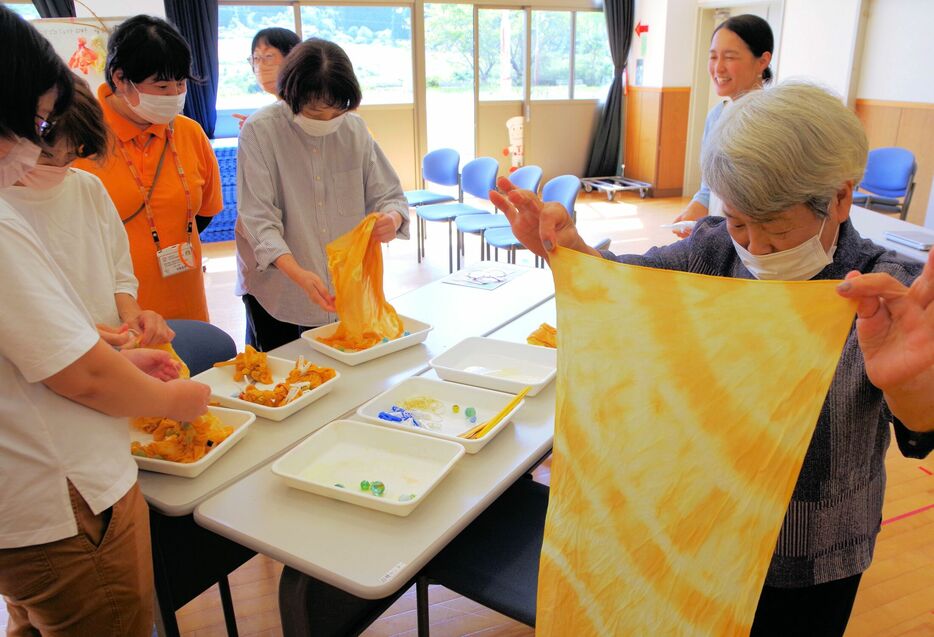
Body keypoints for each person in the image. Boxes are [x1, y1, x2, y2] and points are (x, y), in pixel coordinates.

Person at [490, 82, 934, 636]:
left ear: (840, 198)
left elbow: (919, 431)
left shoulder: (889, 292)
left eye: (775, 230)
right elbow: (629, 289)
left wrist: (911, 384)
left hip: (811, 554)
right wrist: (572, 252)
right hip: (698, 531)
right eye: (741, 222)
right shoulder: (713, 250)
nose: (755, 247)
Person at [0, 7, 210, 636]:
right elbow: (77, 376)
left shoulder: (82, 193)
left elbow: (44, 339)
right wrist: (173, 400)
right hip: (62, 498)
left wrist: (116, 348)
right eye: (34, 123)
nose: (35, 147)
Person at [236, 38, 409, 352]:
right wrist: (298, 273)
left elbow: (390, 195)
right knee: (287, 379)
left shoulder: (354, 130)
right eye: (316, 113)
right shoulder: (261, 131)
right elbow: (258, 220)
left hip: (346, 289)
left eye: (336, 111)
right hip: (280, 291)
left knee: (346, 375)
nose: (328, 121)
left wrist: (391, 218)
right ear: (290, 96)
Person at [1, 75, 173, 347]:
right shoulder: (7, 209)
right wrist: (73, 335)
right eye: (45, 157)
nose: (57, 168)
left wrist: (133, 318)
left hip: (110, 354)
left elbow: (120, 276)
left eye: (70, 158)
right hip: (46, 363)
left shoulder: (87, 187)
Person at [75, 15, 223, 323]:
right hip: (117, 315)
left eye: (180, 84)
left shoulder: (189, 133)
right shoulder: (80, 138)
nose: (174, 96)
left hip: (187, 301)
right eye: (162, 85)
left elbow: (203, 212)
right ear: (119, 79)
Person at [671, 14, 773, 237]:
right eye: (713, 57)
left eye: (729, 57)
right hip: (720, 238)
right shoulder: (717, 116)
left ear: (763, 61)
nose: (718, 68)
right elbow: (709, 189)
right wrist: (693, 211)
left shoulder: (774, 121)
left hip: (757, 243)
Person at [233, 27, 301, 128]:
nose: (260, 66)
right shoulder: (274, 112)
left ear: (292, 59)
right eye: (256, 58)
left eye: (268, 56)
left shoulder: (309, 108)